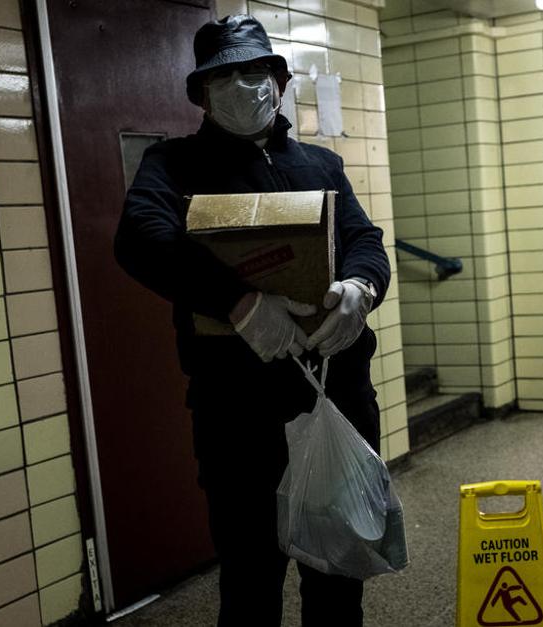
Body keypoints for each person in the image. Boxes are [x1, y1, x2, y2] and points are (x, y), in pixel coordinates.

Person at [114, 14, 390, 626]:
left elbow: (364, 239)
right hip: (237, 415)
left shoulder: (321, 164)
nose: (243, 86)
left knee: (338, 577)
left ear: (280, 82)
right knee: (250, 582)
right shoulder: (173, 165)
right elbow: (140, 238)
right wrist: (239, 303)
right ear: (202, 94)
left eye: (256, 71)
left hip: (334, 399)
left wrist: (360, 288)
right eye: (224, 76)